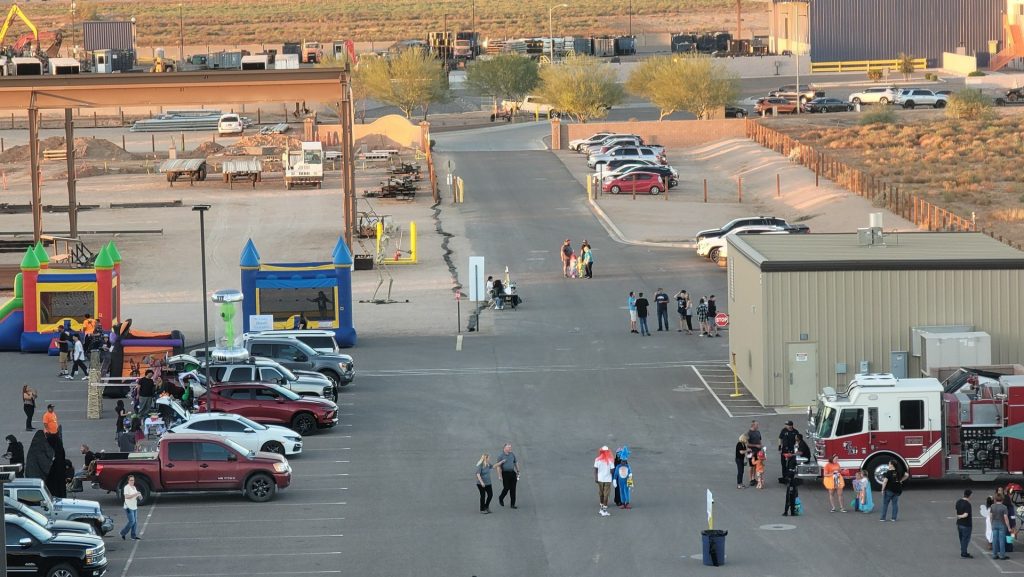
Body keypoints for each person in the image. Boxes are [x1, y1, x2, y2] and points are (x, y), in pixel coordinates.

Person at [494, 443, 519, 509]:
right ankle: (501, 497)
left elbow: (515, 462)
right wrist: (499, 476)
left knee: (513, 489)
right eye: (509, 447)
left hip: (512, 473)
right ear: (504, 448)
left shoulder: (512, 454)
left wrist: (518, 471)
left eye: (510, 447)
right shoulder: (501, 456)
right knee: (506, 487)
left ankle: (512, 504)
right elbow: (498, 467)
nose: (510, 448)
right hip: (505, 473)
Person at [120, 475, 141, 540]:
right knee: (132, 521)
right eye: (131, 480)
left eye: (133, 480)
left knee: (135, 522)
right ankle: (123, 533)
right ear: (128, 481)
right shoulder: (126, 487)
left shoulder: (134, 487)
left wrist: (139, 496)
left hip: (134, 506)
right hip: (128, 507)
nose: (132, 481)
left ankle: (133, 536)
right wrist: (135, 494)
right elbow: (126, 497)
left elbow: (137, 497)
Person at [594, 446, 614, 517]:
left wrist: (596, 478)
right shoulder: (610, 460)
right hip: (607, 480)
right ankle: (604, 511)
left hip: (600, 479)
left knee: (601, 493)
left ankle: (601, 506)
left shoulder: (597, 459)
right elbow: (612, 471)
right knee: (606, 494)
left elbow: (595, 470)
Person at [992, 493, 1011, 559]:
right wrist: (1008, 527)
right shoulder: (1004, 507)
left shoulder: (992, 506)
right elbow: (1006, 518)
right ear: (1002, 499)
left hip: (994, 524)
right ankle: (1002, 555)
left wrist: (991, 523)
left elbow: (990, 516)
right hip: (1002, 525)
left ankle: (994, 554)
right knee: (1001, 540)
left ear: (995, 499)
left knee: (995, 540)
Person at [957, 489, 974, 559]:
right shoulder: (967, 504)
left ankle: (963, 550)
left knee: (961, 538)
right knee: (966, 539)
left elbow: (957, 511)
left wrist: (958, 516)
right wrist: (960, 516)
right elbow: (966, 514)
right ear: (969, 495)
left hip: (959, 524)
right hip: (966, 524)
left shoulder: (958, 501)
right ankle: (964, 553)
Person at [746, 420, 762, 486]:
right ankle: (750, 479)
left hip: (758, 451)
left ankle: (753, 478)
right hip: (751, 451)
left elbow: (760, 440)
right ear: (753, 425)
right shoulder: (749, 433)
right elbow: (747, 444)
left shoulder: (758, 432)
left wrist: (761, 446)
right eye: (756, 425)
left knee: (756, 465)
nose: (758, 426)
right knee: (751, 465)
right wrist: (756, 445)